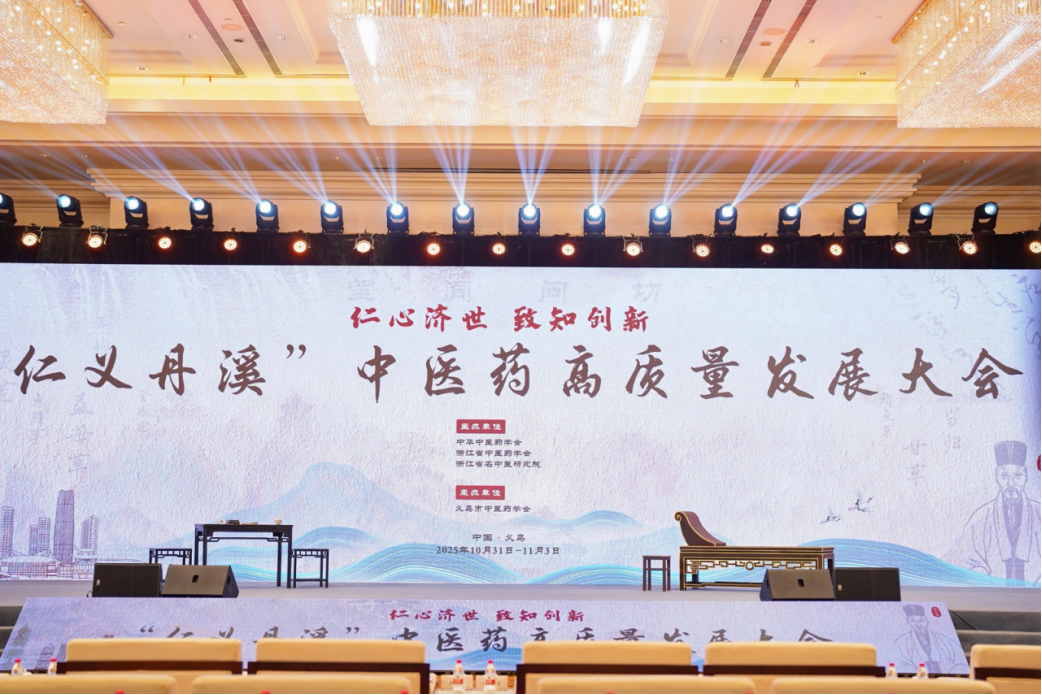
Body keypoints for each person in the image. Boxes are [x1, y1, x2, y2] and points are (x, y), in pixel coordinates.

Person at [949, 442, 1041, 585]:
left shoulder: (1038, 512)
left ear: (1026, 476)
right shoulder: (982, 516)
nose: (1011, 484)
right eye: (1004, 475)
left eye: (1017, 475)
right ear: (996, 476)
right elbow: (961, 560)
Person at [894, 605, 964, 675]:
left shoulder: (943, 639)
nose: (918, 624)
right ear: (908, 622)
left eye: (921, 620)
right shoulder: (901, 641)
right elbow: (900, 664)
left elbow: (960, 660)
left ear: (927, 621)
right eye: (912, 621)